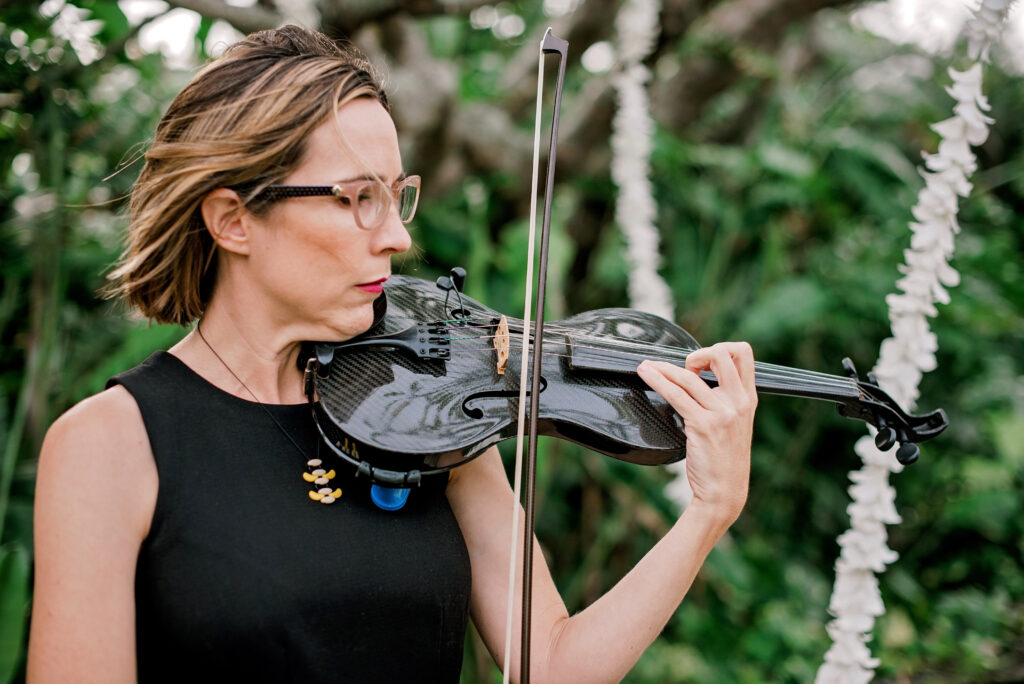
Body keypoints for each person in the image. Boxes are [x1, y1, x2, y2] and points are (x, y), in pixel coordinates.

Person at [27, 25, 757, 683]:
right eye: (357, 199)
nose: (397, 238)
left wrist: (707, 513)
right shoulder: (109, 445)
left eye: (395, 195)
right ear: (233, 219)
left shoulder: (429, 408)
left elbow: (553, 664)